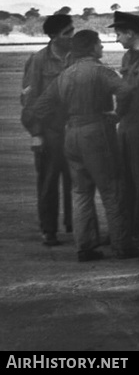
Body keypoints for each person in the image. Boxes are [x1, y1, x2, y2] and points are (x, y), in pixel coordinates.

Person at [30, 30, 135, 262]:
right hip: (97, 132)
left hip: (71, 134)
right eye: (99, 43)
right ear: (91, 47)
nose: (102, 47)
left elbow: (39, 107)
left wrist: (63, 121)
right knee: (111, 190)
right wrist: (117, 114)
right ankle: (122, 245)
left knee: (81, 193)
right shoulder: (100, 71)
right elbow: (126, 91)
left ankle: (84, 247)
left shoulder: (65, 75)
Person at [20, 14, 75, 246]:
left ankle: (75, 228)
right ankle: (49, 230)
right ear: (53, 36)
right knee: (49, 181)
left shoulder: (76, 58)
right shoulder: (39, 60)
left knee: (78, 181)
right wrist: (36, 133)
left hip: (73, 129)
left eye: (73, 31)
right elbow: (30, 100)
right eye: (67, 33)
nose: (72, 36)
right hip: (50, 132)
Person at [109, 12, 139, 250]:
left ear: (130, 33)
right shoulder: (128, 57)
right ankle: (128, 229)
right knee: (125, 181)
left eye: (118, 33)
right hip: (126, 126)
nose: (117, 39)